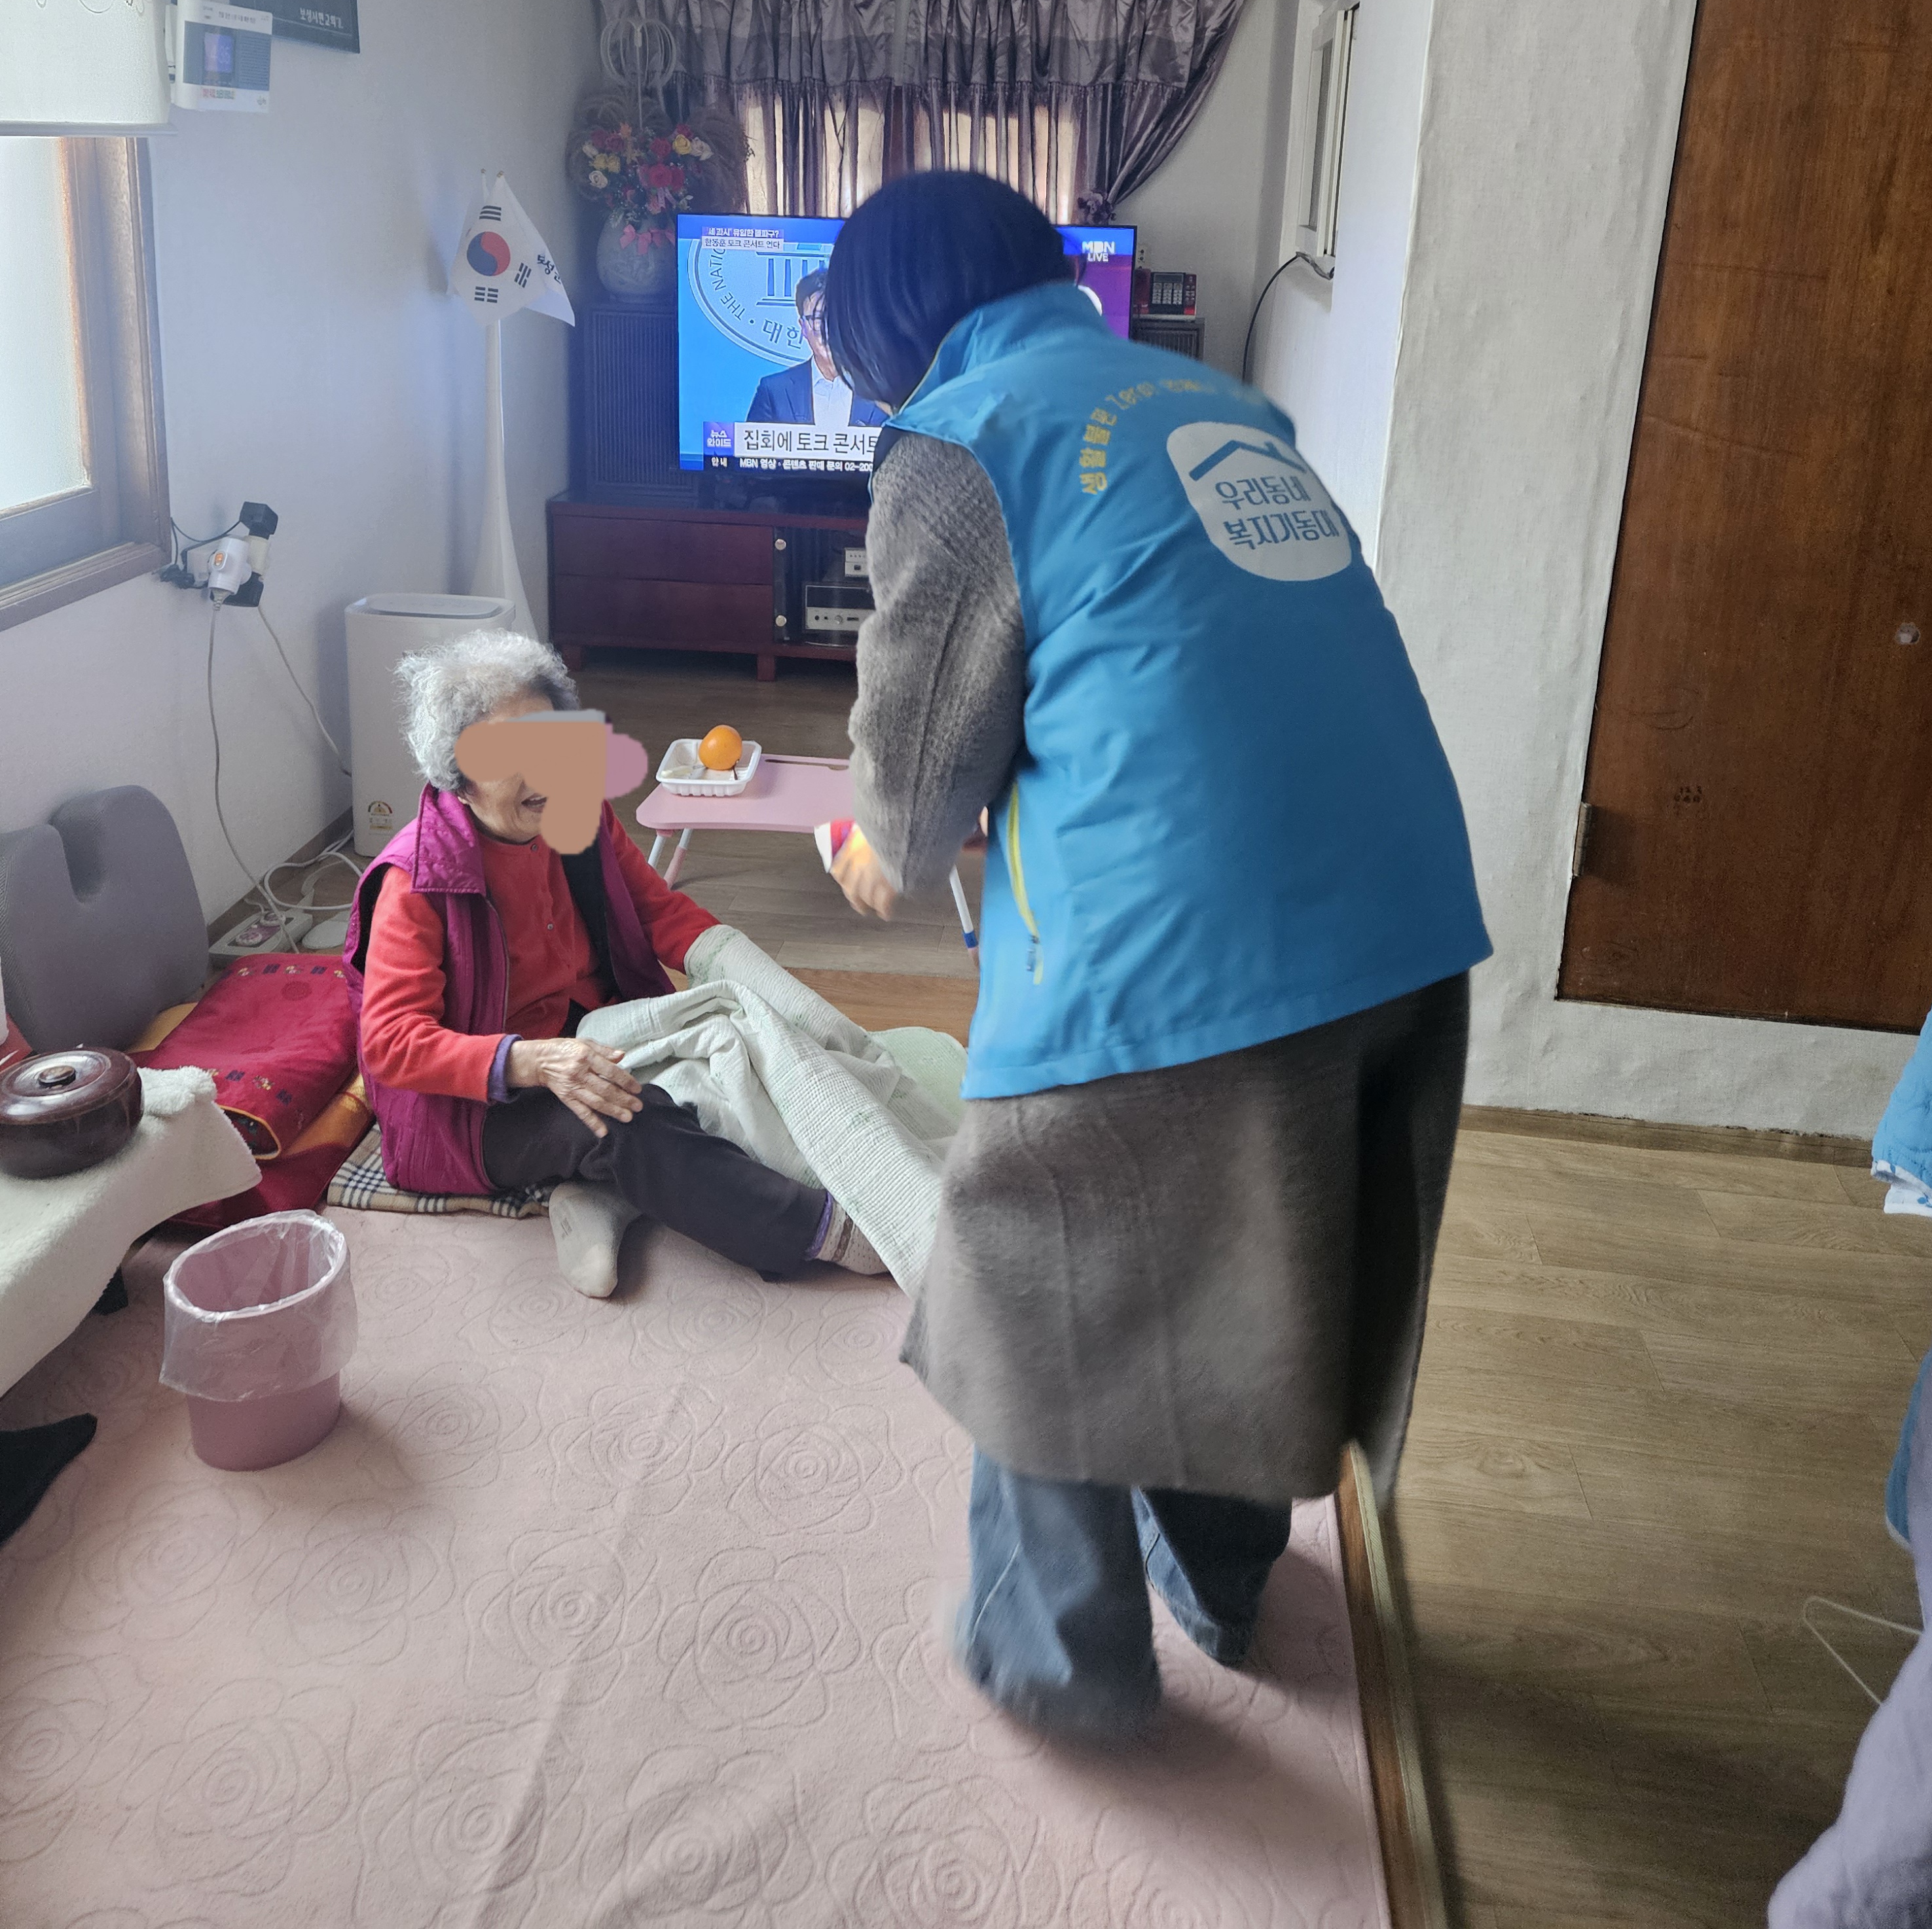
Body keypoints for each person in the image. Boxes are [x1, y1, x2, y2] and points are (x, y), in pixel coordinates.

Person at [822, 169, 1491, 1742]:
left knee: (1029, 1265)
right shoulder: (1219, 403)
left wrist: (870, 845)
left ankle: (1057, 1662)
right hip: (1398, 916)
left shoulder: (961, 443)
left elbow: (912, 803)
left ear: (884, 329)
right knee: (1258, 1245)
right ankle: (1221, 1577)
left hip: (1183, 937)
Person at [344, 629, 885, 1296]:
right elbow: (392, 1043)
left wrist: (755, 977)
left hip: (587, 1031)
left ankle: (597, 1197)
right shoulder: (415, 879)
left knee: (739, 1056)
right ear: (459, 773)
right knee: (631, 1120)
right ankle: (822, 1233)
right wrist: (535, 1061)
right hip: (477, 1109)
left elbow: (659, 911)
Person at [747, 268, 888, 431]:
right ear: (803, 327)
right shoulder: (774, 392)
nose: (827, 328)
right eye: (817, 318)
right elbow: (750, 447)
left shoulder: (883, 392)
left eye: (836, 316)